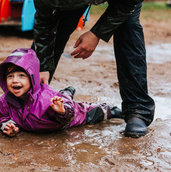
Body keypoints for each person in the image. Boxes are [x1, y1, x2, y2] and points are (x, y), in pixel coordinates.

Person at [31, 0, 155, 138]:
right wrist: (43, 65)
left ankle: (137, 108)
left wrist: (97, 33)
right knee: (57, 28)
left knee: (127, 26)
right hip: (65, 4)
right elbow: (44, 21)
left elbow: (128, 3)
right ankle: (29, 102)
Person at [0, 48, 123, 137]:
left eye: (21, 76)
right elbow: (3, 117)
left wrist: (62, 111)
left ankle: (113, 110)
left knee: (88, 112)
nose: (15, 81)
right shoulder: (5, 100)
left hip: (65, 120)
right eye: (10, 77)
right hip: (42, 117)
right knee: (62, 97)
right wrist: (8, 126)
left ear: (33, 78)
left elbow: (68, 116)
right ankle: (67, 91)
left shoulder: (47, 96)